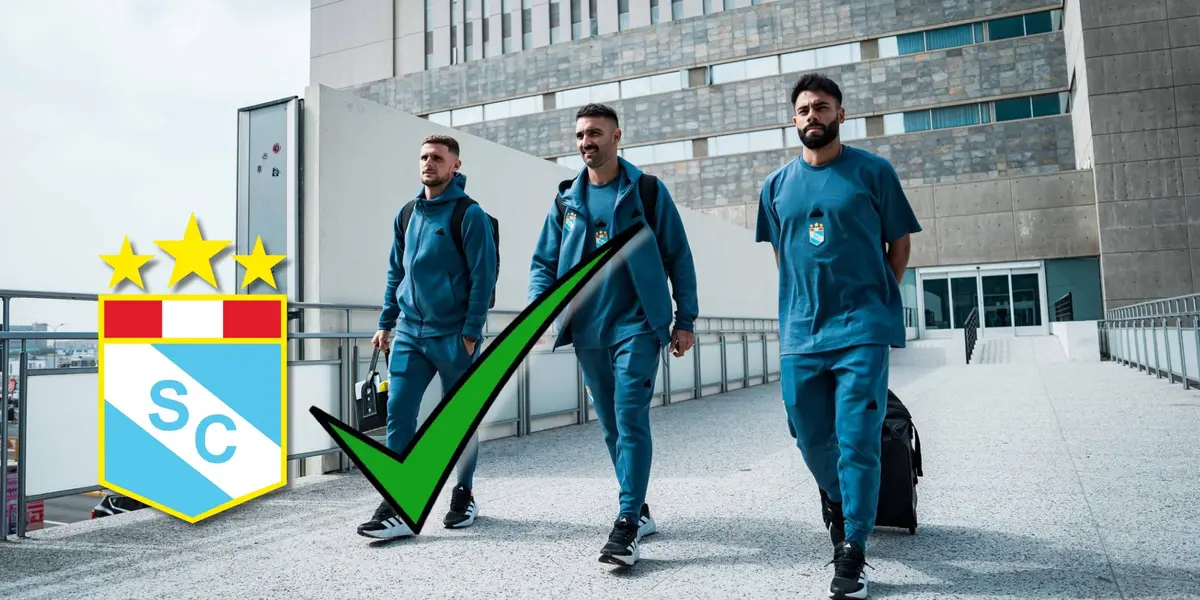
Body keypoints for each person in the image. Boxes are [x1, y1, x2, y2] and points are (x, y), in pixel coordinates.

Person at [755, 74, 921, 600]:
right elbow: (784, 257)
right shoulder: (775, 187)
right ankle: (838, 497)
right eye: (803, 110)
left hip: (862, 329)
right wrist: (802, 305)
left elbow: (899, 245)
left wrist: (876, 299)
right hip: (802, 330)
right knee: (806, 430)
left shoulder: (873, 172)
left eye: (821, 108)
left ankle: (853, 549)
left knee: (856, 437)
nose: (812, 117)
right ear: (794, 119)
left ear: (841, 115)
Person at [528, 103, 699, 567]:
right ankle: (638, 506)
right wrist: (541, 317)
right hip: (588, 330)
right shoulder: (566, 200)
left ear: (617, 136)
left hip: (638, 325)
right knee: (610, 426)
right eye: (582, 135)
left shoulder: (644, 191)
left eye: (597, 134)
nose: (588, 142)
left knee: (630, 417)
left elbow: (678, 255)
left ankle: (626, 523)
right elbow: (543, 264)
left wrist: (685, 319)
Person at [358, 134, 498, 539]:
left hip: (454, 336)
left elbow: (482, 275)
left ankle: (463, 493)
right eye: (423, 157)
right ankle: (399, 502)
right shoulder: (406, 214)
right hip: (409, 335)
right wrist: (386, 322)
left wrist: (471, 333)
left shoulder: (469, 215)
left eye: (437, 157)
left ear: (455, 165)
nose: (428, 163)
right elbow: (395, 273)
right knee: (399, 413)